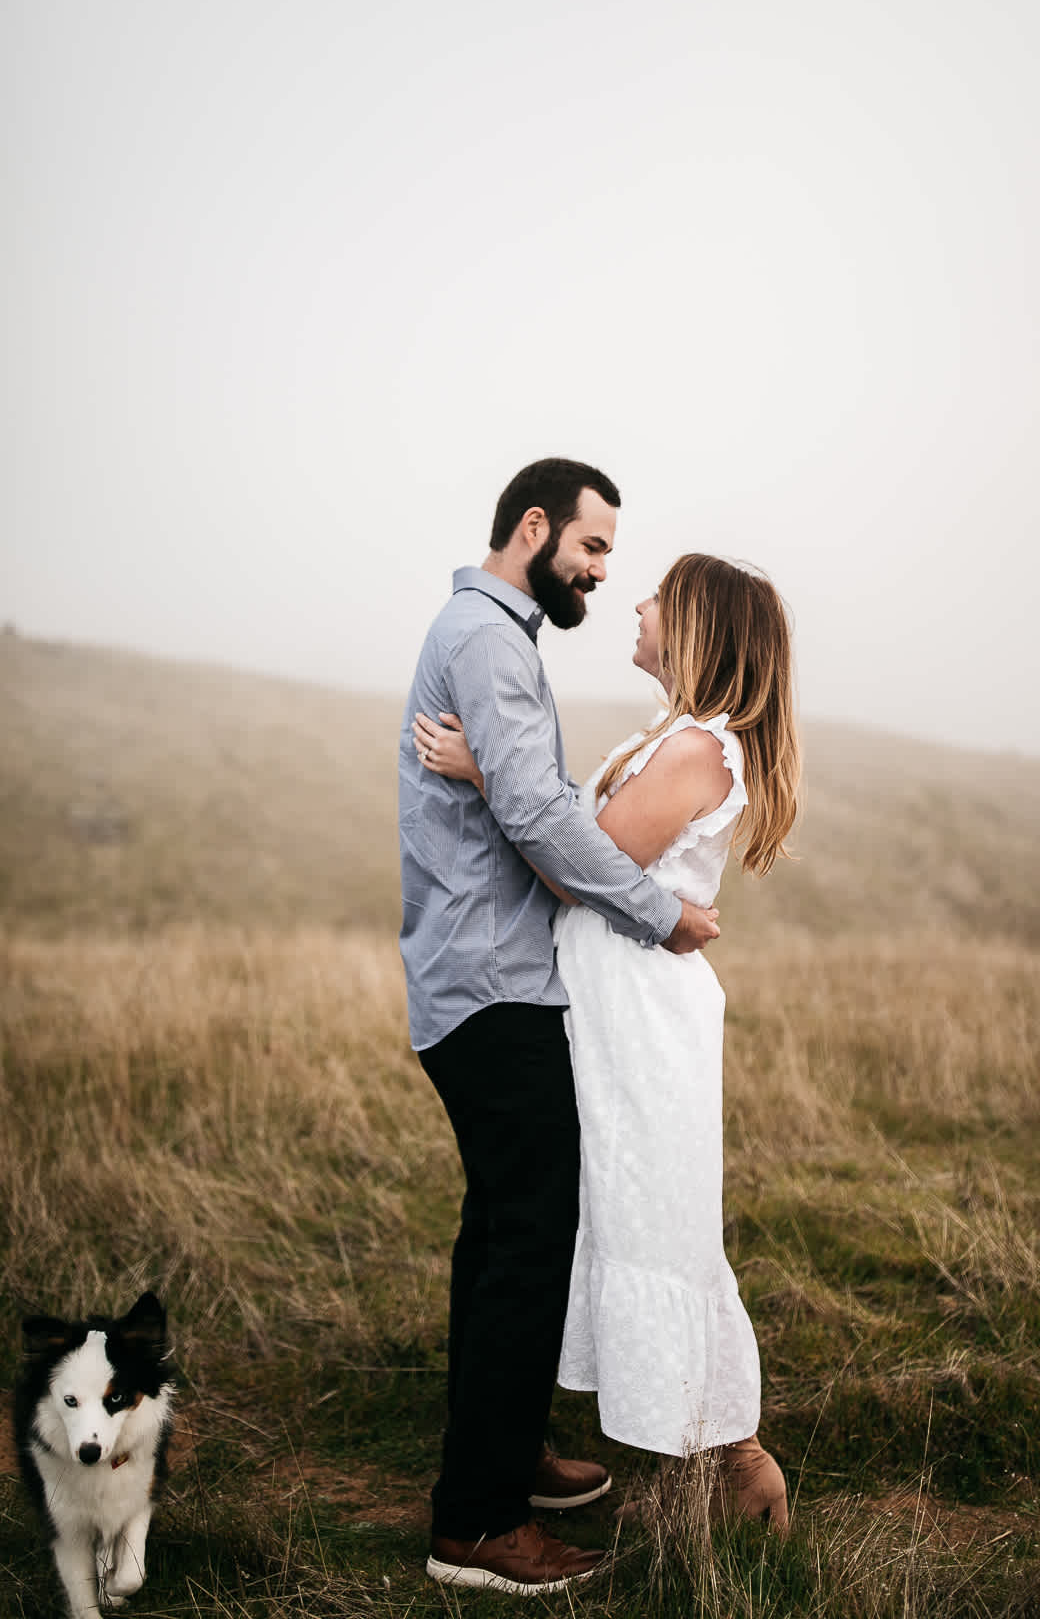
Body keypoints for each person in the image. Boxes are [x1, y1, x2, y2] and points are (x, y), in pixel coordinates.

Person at [414, 551, 802, 1535]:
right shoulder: (670, 737)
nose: (635, 603)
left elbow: (572, 869)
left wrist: (485, 770)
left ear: (698, 627)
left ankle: (741, 1462)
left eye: (659, 599)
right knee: (596, 1204)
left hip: (638, 1010)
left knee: (654, 1215)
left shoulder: (700, 752)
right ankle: (549, 1438)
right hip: (604, 995)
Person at [397, 460, 722, 1595]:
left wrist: (495, 772)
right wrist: (660, 914)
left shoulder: (490, 633)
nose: (598, 571)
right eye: (591, 548)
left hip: (479, 980)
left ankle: (504, 1452)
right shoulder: (489, 640)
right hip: (493, 988)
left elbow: (526, 795)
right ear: (534, 527)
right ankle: (478, 1523)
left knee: (502, 1234)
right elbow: (540, 813)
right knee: (529, 1241)